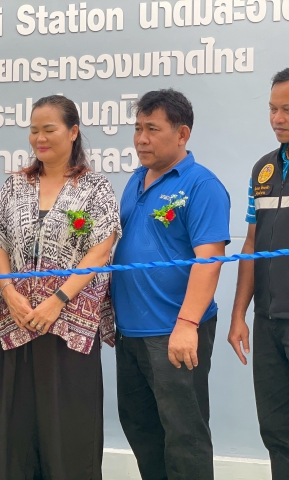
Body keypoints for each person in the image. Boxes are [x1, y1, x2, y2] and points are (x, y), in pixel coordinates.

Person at [0, 95, 121, 480]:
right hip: (16, 323)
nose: (39, 138)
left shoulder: (95, 187)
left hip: (70, 328)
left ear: (73, 131)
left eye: (49, 129)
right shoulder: (15, 185)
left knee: (69, 435)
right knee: (15, 433)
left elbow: (100, 249)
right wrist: (9, 292)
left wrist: (58, 300)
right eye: (34, 130)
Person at [111, 89, 231, 480]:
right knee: (142, 432)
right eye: (137, 129)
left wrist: (187, 324)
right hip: (130, 333)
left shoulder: (201, 185)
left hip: (175, 332)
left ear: (182, 134)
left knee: (184, 437)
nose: (141, 139)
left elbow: (209, 260)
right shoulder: (135, 181)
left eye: (152, 129)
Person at [229, 68, 289, 478]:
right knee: (276, 430)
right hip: (268, 322)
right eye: (272, 109)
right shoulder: (263, 170)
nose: (277, 119)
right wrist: (239, 315)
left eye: (287, 110)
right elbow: (250, 244)